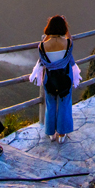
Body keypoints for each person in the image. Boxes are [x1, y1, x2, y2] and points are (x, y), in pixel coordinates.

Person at [30, 15, 81, 143]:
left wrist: (48, 34)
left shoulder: (42, 46)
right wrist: (65, 26)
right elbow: (70, 38)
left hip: (50, 78)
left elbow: (42, 46)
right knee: (64, 104)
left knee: (50, 104)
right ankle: (62, 134)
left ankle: (51, 133)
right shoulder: (67, 43)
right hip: (65, 77)